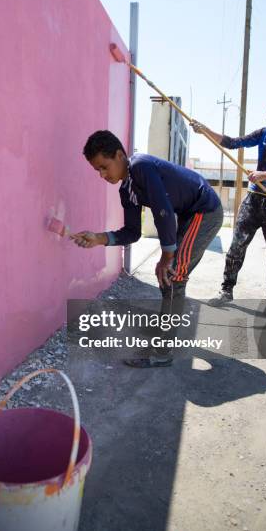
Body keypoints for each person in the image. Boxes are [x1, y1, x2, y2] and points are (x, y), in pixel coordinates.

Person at [70, 130, 223, 367]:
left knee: (172, 275)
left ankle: (162, 351)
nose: (102, 175)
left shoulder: (140, 166)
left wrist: (167, 255)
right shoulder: (126, 191)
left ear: (120, 155)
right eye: (97, 170)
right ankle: (165, 335)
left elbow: (162, 211)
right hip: (188, 215)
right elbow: (133, 232)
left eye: (104, 166)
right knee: (169, 277)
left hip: (205, 211)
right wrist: (99, 238)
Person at [192, 93, 266, 306]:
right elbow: (232, 142)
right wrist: (204, 131)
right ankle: (226, 291)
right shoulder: (264, 133)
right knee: (236, 246)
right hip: (253, 200)